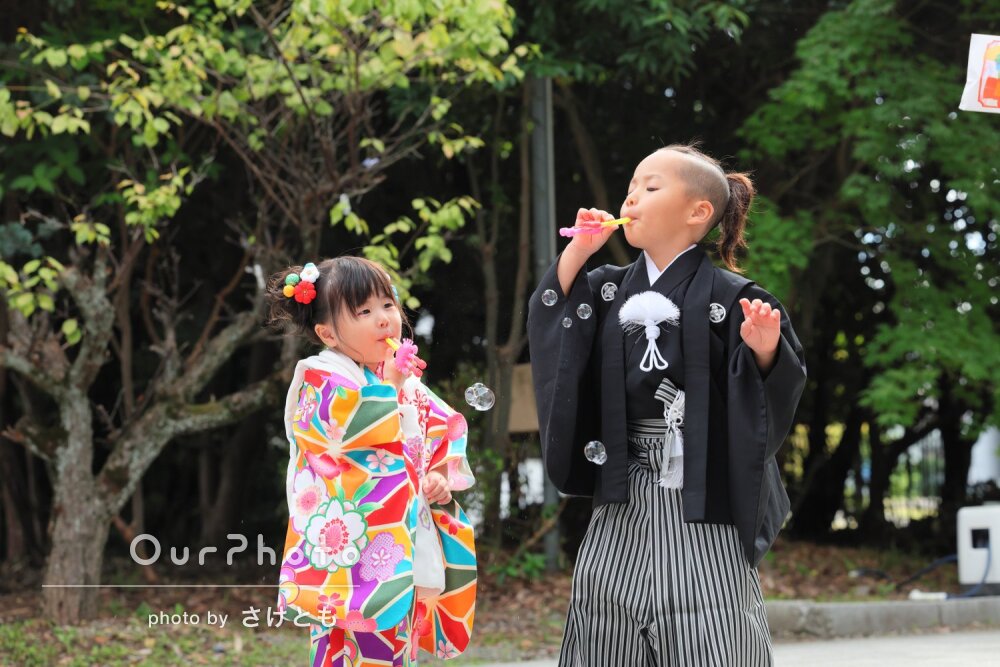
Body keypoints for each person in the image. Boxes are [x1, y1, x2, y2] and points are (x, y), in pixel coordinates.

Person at [527, 144, 807, 666]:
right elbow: (554, 317)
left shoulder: (732, 297)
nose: (632, 197)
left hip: (701, 489)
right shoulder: (606, 288)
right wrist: (578, 253)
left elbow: (768, 395)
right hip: (623, 480)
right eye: (631, 187)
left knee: (712, 623)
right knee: (605, 613)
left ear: (698, 212)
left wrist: (766, 349)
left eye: (650, 187)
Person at [267, 256, 477, 666]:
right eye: (363, 311)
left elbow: (444, 428)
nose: (383, 319)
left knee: (398, 652)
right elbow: (347, 434)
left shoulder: (401, 382)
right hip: (349, 556)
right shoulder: (320, 377)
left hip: (400, 547)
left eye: (387, 305)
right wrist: (392, 387)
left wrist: (437, 477)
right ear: (327, 333)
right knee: (343, 653)